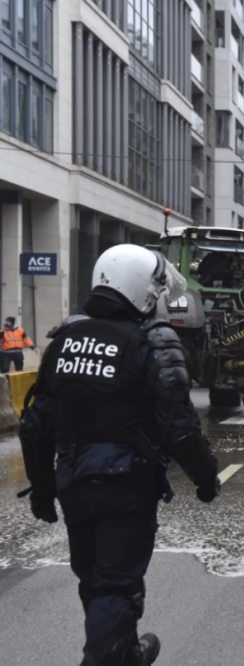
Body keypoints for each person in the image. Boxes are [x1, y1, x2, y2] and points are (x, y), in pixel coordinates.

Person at [18, 244, 222, 665]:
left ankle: (124, 653)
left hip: (71, 481)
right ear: (145, 292)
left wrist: (42, 492)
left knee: (94, 581)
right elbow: (180, 427)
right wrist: (206, 478)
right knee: (115, 585)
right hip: (125, 484)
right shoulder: (152, 340)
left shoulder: (65, 340)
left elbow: (36, 426)